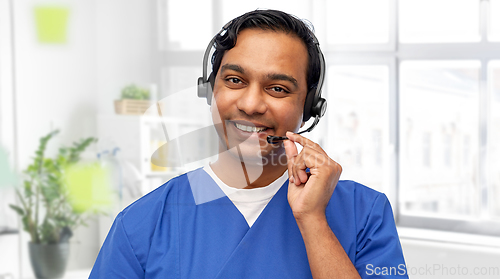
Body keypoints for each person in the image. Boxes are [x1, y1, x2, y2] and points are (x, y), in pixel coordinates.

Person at [90, 9, 408, 278]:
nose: (252, 104)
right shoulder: (140, 226)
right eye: (235, 81)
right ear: (209, 90)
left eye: (278, 88)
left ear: (308, 107)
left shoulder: (365, 214)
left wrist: (314, 222)